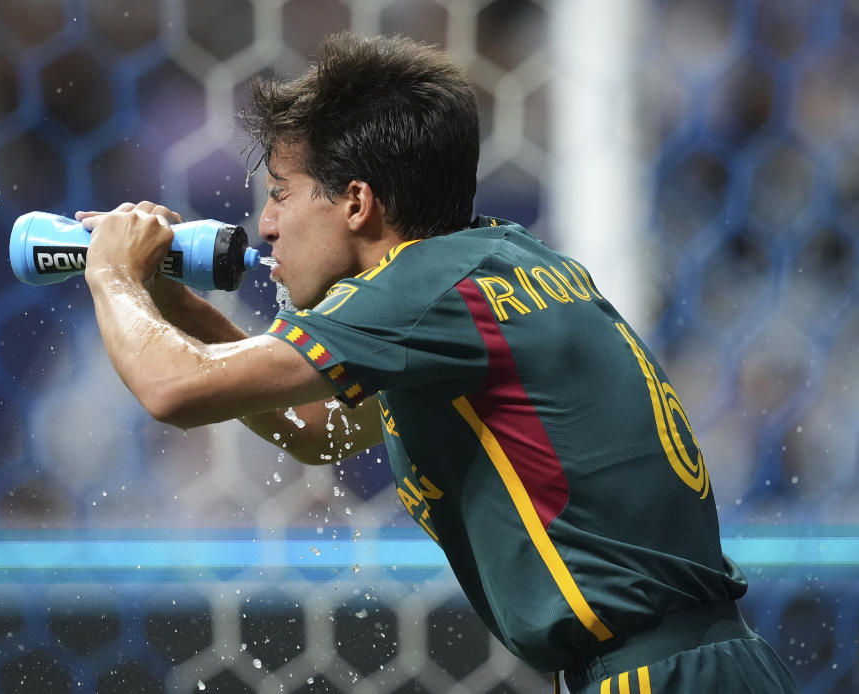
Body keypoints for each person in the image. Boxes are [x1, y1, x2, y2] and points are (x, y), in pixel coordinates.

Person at [78, 32, 799, 694]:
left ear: (356, 201)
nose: (264, 225)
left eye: (279, 194)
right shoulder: (497, 263)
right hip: (704, 663)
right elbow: (314, 425)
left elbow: (171, 390)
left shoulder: (421, 292)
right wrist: (170, 299)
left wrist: (112, 272)